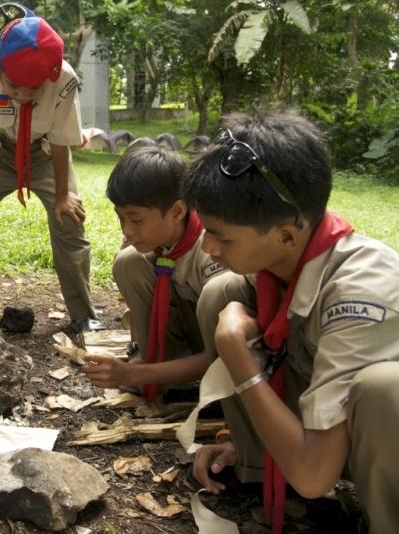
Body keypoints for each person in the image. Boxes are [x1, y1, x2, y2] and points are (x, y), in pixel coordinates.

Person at [185, 111, 399, 533]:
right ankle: (257, 463)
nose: (207, 248)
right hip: (329, 437)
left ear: (286, 234)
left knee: (384, 390)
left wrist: (241, 364)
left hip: (375, 447)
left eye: (222, 237)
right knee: (221, 294)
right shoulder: (281, 258)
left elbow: (315, 478)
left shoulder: (361, 293)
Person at [0, 3, 102, 333]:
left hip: (46, 154)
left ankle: (84, 315)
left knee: (70, 221)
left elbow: (64, 139)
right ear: (1, 66)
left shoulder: (64, 78)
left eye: (34, 89)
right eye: (13, 86)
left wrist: (63, 195)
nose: (23, 96)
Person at [82, 148, 231, 400]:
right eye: (121, 218)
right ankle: (159, 364)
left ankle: (170, 376)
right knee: (128, 262)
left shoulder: (212, 254)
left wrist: (134, 375)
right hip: (194, 339)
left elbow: (226, 354)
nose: (127, 230)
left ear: (177, 211)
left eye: (136, 220)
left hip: (227, 356)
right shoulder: (156, 244)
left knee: (217, 293)